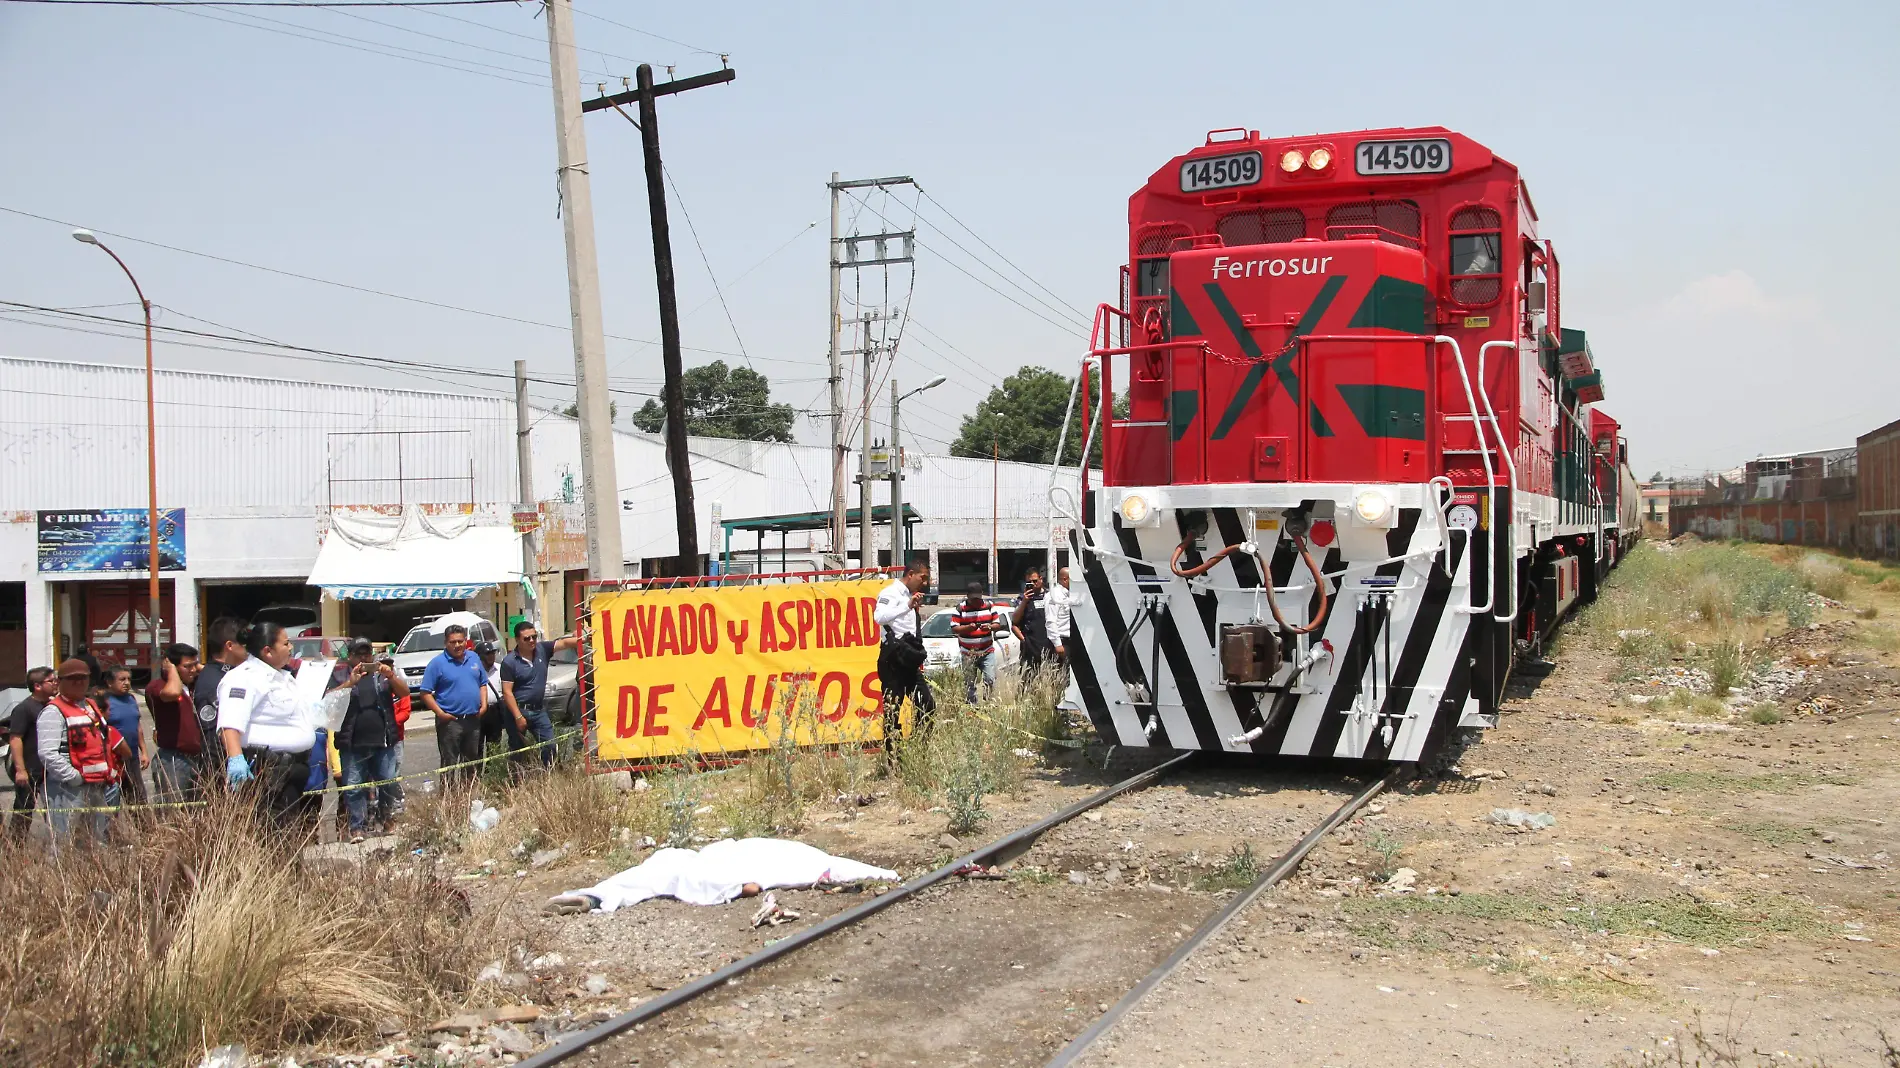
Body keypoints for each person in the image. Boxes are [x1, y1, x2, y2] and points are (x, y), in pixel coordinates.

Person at [218, 622, 321, 828]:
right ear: (267, 651)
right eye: (286, 643)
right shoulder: (244, 677)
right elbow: (230, 723)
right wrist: (236, 758)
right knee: (271, 834)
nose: (291, 648)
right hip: (270, 773)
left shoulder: (284, 677)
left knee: (290, 833)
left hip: (294, 770)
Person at [37, 659, 133, 845]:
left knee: (95, 843)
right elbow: (48, 754)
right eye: (73, 679)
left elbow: (104, 741)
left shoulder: (90, 706)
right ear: (60, 682)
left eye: (83, 678)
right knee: (65, 844)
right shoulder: (53, 712)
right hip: (67, 789)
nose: (79, 682)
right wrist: (74, 778)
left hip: (96, 787)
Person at [327, 637, 408, 841]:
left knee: (388, 782)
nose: (364, 658)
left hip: (383, 741)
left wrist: (391, 677)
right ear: (351, 657)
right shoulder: (339, 675)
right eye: (359, 655)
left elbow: (404, 693)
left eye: (367, 654)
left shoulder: (381, 676)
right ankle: (357, 827)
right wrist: (349, 683)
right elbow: (328, 700)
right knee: (354, 787)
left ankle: (386, 818)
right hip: (352, 743)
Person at [500, 621, 580, 770]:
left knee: (549, 746)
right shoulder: (509, 662)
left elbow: (563, 643)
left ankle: (547, 777)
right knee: (518, 750)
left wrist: (582, 639)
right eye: (526, 638)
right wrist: (518, 717)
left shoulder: (542, 649)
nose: (531, 641)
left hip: (538, 711)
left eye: (534, 637)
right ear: (517, 640)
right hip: (517, 711)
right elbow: (507, 692)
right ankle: (517, 783)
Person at [873, 561, 934, 755]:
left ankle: (918, 751)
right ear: (911, 574)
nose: (924, 583)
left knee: (927, 705)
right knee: (893, 710)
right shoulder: (890, 593)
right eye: (922, 578)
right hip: (892, 661)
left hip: (909, 660)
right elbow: (879, 617)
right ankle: (894, 758)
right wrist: (906, 606)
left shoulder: (910, 596)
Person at [419, 623, 487, 787]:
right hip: (450, 721)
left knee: (471, 762)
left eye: (460, 641)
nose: (457, 645)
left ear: (466, 641)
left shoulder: (474, 658)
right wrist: (441, 713)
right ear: (446, 643)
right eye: (453, 642)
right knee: (449, 763)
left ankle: (468, 796)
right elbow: (425, 693)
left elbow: (482, 683)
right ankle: (449, 801)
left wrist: (484, 705)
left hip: (473, 719)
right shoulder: (437, 663)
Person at [146, 644, 203, 804]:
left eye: (195, 665)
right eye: (187, 666)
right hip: (174, 758)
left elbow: (213, 674)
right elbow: (173, 693)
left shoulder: (192, 686)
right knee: (173, 807)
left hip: (198, 757)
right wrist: (170, 669)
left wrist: (195, 665)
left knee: (197, 808)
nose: (193, 670)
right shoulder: (158, 686)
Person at [193, 617, 248, 780]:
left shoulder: (231, 675)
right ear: (230, 646)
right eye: (243, 644)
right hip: (223, 772)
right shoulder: (213, 682)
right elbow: (212, 737)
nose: (247, 648)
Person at [8, 666, 56, 841]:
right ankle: (14, 851)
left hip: (50, 769)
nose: (55, 683)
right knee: (23, 812)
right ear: (37, 686)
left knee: (54, 811)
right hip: (30, 770)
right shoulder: (24, 708)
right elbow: (15, 739)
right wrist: (21, 769)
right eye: (51, 681)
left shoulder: (52, 706)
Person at [950, 582, 1012, 702]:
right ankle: (972, 705)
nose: (976, 601)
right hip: (968, 653)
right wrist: (968, 628)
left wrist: (989, 627)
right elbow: (954, 628)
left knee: (990, 679)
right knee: (969, 682)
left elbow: (997, 624)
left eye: (978, 598)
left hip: (986, 651)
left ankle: (989, 701)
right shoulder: (960, 608)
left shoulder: (989, 606)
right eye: (973, 599)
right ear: (967, 596)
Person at [99, 665, 151, 805]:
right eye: (122, 679)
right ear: (110, 682)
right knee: (111, 803)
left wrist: (144, 752)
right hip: (113, 761)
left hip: (132, 758)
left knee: (138, 800)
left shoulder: (131, 699)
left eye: (129, 679)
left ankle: (141, 827)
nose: (127, 683)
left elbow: (137, 726)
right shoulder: (104, 702)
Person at [1013, 569, 1050, 673]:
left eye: (1035, 581)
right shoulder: (1022, 598)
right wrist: (1025, 601)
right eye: (1030, 582)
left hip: (1049, 642)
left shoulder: (1050, 596)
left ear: (1041, 579)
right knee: (1029, 677)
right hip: (1030, 645)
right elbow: (1015, 621)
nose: (1033, 584)